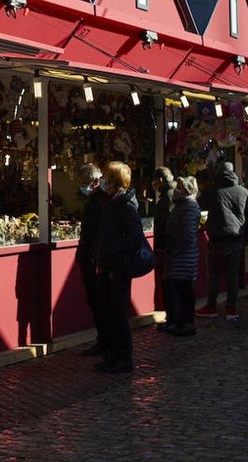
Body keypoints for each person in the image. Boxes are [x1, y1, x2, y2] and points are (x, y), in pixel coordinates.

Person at [92, 160, 143, 373]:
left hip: (118, 268)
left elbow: (134, 239)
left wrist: (111, 247)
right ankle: (112, 355)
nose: (102, 181)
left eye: (105, 177)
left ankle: (123, 357)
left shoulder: (126, 206)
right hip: (107, 266)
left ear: (113, 181)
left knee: (118, 314)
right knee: (109, 312)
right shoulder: (111, 203)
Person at [195, 161, 248, 321]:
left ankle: (211, 306)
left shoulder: (212, 191)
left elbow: (197, 207)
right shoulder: (243, 192)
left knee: (213, 274)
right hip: (237, 239)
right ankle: (231, 309)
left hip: (218, 238)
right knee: (233, 275)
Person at [74, 163, 107, 355]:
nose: (83, 187)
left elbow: (93, 234)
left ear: (95, 181)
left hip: (94, 260)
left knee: (100, 303)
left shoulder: (100, 203)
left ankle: (104, 342)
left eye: (85, 182)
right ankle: (103, 340)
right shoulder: (98, 202)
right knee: (98, 303)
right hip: (92, 258)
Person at [163, 175, 201, 337]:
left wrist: (175, 250)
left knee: (184, 289)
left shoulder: (189, 208)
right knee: (177, 288)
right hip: (178, 254)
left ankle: (187, 322)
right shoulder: (180, 206)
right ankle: (177, 321)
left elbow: (187, 234)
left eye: (180, 188)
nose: (177, 191)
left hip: (184, 256)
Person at [149, 166, 177, 332]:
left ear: (159, 180)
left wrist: (161, 246)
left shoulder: (166, 199)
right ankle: (173, 316)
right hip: (173, 248)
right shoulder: (175, 194)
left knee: (168, 285)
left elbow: (165, 226)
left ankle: (171, 317)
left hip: (166, 249)